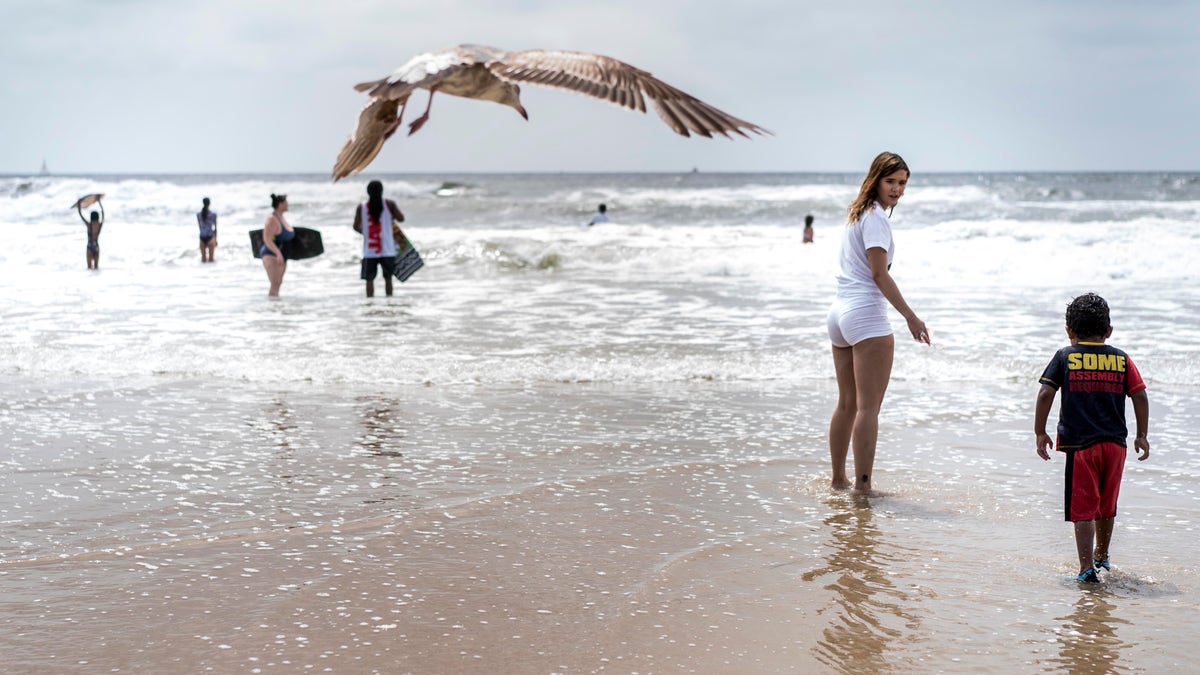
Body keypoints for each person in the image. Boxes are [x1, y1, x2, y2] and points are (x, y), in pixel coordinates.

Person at [826, 151, 930, 494]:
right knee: (868, 409)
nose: (897, 189)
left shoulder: (857, 214)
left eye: (902, 183)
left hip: (839, 315)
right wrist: (910, 316)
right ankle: (863, 488)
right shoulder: (876, 219)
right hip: (865, 315)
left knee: (847, 403)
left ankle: (839, 481)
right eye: (891, 181)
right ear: (875, 179)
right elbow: (877, 274)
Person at [1034, 292, 1150, 583]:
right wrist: (1142, 435)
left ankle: (1086, 569)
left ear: (1069, 330)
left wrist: (1040, 431)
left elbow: (1046, 392)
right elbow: (1140, 395)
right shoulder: (1122, 360)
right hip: (1115, 445)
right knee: (1106, 505)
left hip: (1080, 446)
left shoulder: (1065, 356)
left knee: (1082, 508)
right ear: (1109, 331)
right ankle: (1102, 556)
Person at [353, 180, 407, 298]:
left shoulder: (361, 207)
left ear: (368, 192)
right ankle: (389, 302)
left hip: (369, 251)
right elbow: (401, 218)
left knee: (369, 280)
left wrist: (366, 232)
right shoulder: (389, 205)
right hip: (387, 249)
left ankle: (370, 304)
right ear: (382, 191)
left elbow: (355, 226)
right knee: (388, 279)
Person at [260, 193, 295, 297]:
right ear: (280, 204)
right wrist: (278, 253)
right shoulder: (272, 219)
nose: (288, 204)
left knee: (278, 283)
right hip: (271, 255)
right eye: (286, 202)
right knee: (274, 284)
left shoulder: (281, 218)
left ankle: (275, 308)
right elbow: (267, 238)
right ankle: (272, 310)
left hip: (282, 255)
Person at [77, 200, 104, 270]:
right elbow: (103, 216)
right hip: (96, 248)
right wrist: (99, 202)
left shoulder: (89, 225)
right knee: (95, 268)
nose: (95, 223)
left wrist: (79, 206)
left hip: (89, 247)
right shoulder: (99, 225)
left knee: (91, 268)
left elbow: (81, 215)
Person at [197, 197, 218, 263]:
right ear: (209, 204)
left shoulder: (198, 215)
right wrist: (216, 239)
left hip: (202, 237)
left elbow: (200, 227)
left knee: (203, 260)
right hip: (210, 236)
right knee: (211, 260)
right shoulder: (213, 214)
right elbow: (215, 228)